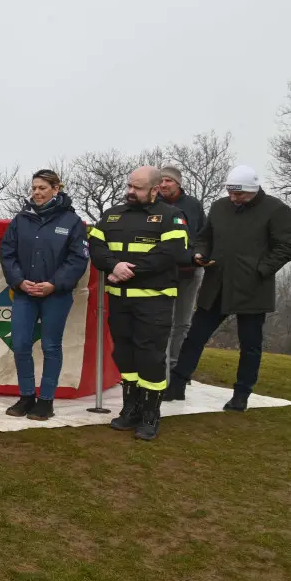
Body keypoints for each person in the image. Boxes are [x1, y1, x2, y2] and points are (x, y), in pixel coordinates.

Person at [169, 165, 291, 411]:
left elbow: (285, 247)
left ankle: (241, 393)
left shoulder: (276, 210)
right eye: (231, 193)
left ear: (253, 190)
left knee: (250, 344)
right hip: (216, 283)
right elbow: (205, 237)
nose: (234, 198)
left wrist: (260, 270)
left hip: (252, 288)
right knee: (195, 336)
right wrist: (199, 253)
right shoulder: (219, 207)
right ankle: (177, 384)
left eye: (240, 194)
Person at [88, 166, 187, 441]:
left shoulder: (171, 216)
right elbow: (95, 247)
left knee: (151, 357)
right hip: (120, 302)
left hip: (154, 302)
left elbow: (171, 253)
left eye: (138, 188)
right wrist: (112, 265)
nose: (131, 192)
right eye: (130, 186)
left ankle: (150, 415)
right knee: (124, 354)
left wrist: (128, 270)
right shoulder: (112, 214)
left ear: (155, 189)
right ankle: (130, 409)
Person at [0, 169, 90, 421]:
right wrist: (18, 281)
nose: (37, 193)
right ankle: (26, 397)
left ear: (55, 190)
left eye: (42, 188)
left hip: (56, 296)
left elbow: (77, 259)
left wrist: (54, 284)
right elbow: (7, 253)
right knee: (20, 344)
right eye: (34, 188)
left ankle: (45, 401)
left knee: (51, 346)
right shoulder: (21, 219)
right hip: (25, 294)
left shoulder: (72, 222)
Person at [157, 165, 208, 380]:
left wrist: (195, 256)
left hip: (189, 271)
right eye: (161, 180)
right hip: (160, 272)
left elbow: (203, 234)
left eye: (168, 180)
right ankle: (158, 367)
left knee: (182, 322)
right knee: (160, 320)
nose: (164, 184)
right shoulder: (153, 205)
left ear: (178, 183)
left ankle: (175, 368)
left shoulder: (193, 205)